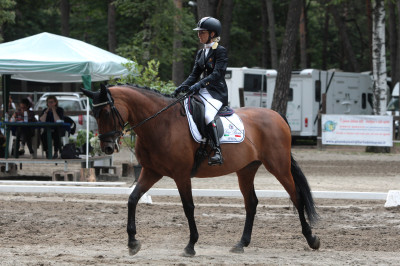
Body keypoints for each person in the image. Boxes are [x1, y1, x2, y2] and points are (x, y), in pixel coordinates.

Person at [173, 16, 228, 166]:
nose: (199, 35)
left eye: (202, 32)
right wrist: (182, 86)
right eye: (198, 32)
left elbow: (217, 74)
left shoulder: (220, 51)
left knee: (208, 115)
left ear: (212, 34)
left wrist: (199, 85)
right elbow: (194, 75)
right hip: (202, 92)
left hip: (216, 93)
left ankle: (217, 151)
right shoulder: (200, 53)